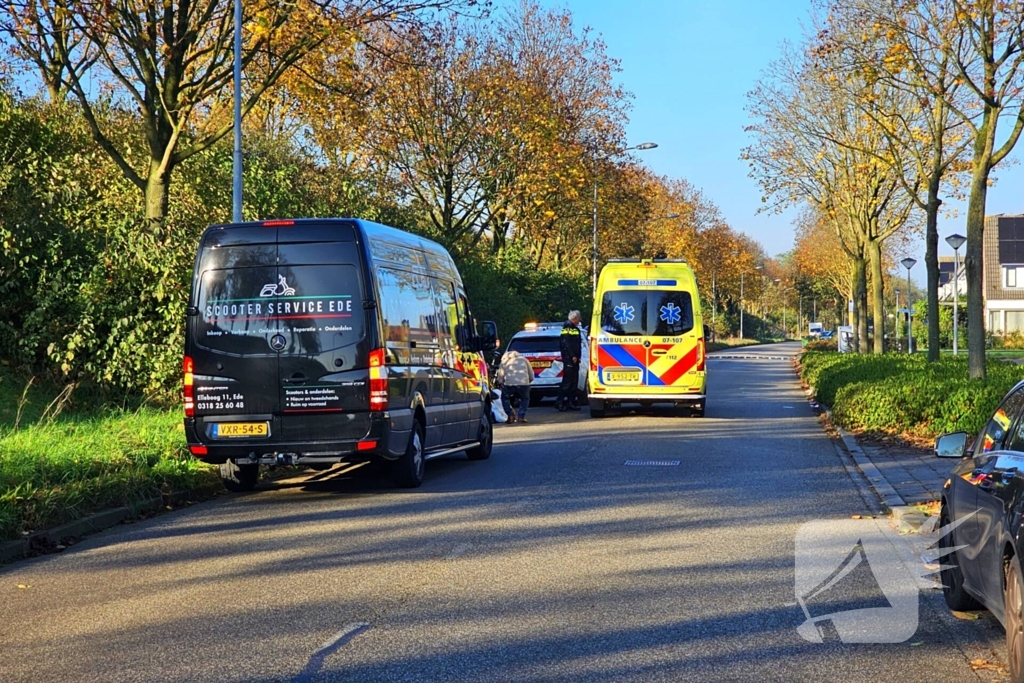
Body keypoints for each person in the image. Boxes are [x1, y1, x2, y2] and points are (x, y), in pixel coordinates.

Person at [495, 348, 533, 423]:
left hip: (509, 384)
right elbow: (531, 374)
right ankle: (521, 417)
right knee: (525, 398)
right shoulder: (524, 360)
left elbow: (500, 375)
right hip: (523, 383)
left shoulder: (504, 361)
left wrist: (501, 383)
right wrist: (528, 382)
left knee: (505, 398)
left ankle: (510, 416)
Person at [556, 310, 583, 411]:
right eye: (578, 318)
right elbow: (566, 343)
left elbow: (576, 344)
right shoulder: (567, 326)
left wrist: (578, 356)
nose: (579, 320)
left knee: (573, 382)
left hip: (574, 359)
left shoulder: (574, 327)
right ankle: (559, 402)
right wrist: (572, 356)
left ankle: (571, 402)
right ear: (575, 318)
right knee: (567, 382)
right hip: (569, 359)